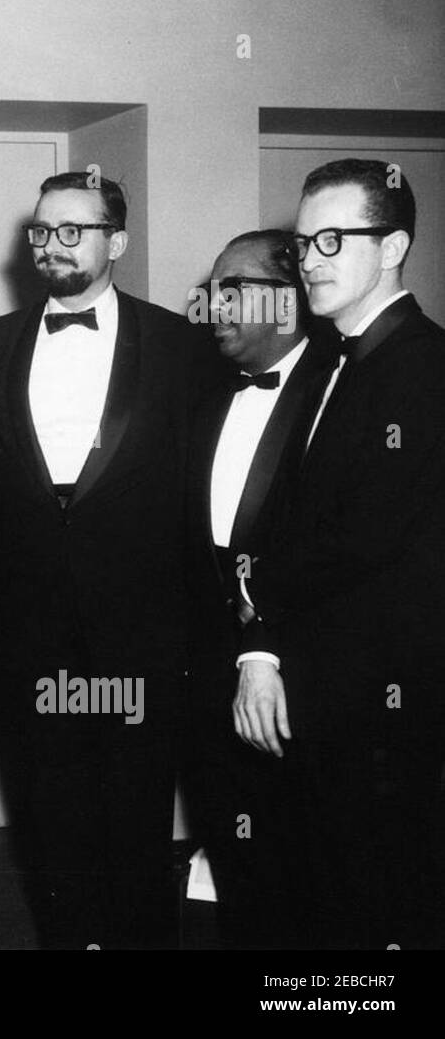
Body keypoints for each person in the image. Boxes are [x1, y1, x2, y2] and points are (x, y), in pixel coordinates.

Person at [0, 171, 222, 949]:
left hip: (142, 639)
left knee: (138, 829)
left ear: (116, 241)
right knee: (52, 832)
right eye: (41, 231)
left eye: (72, 230)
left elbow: (200, 492)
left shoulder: (180, 345)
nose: (51, 246)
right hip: (29, 639)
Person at [235, 159, 445, 949]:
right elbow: (274, 509)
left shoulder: (424, 366)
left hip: (382, 705)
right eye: (301, 243)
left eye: (332, 238)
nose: (311, 259)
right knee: (315, 906)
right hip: (313, 692)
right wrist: (259, 649)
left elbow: (361, 536)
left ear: (392, 247)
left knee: (377, 908)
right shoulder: (327, 359)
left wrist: (250, 602)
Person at [182, 229, 334, 948]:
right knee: (241, 871)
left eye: (234, 287)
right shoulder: (207, 392)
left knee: (311, 879)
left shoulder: (341, 391)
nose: (215, 304)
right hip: (210, 680)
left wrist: (264, 649)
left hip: (301, 681)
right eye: (214, 287)